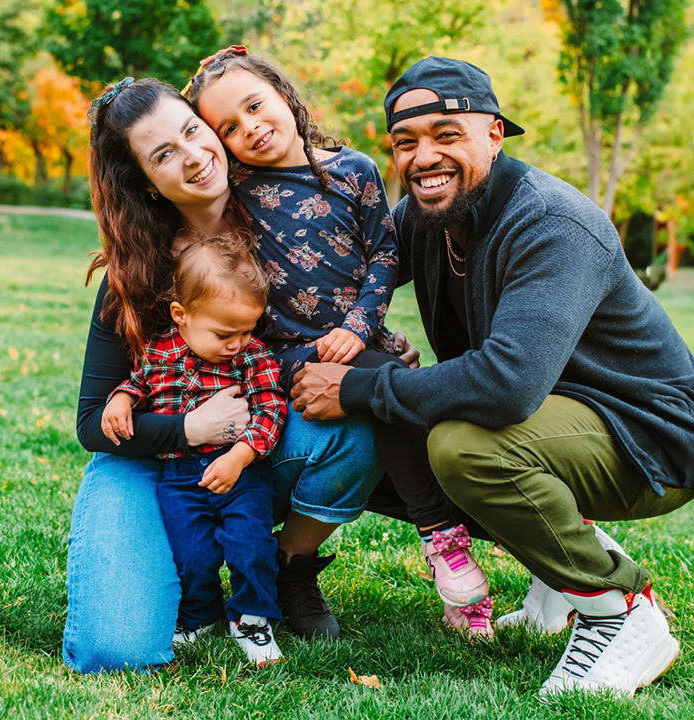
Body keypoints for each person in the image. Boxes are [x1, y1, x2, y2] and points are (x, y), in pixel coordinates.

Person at [291, 57, 694, 696]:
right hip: (553, 421)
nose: (424, 157)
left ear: (494, 134)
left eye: (447, 135)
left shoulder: (549, 220)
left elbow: (507, 384)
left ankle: (619, 611)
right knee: (385, 450)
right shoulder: (426, 218)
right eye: (405, 144)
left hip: (646, 435)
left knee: (460, 449)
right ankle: (558, 578)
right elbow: (331, 285)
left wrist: (357, 387)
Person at [64, 77, 413, 673]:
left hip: (251, 450)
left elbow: (371, 257)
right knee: (114, 649)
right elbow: (92, 425)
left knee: (354, 411)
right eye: (162, 155)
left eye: (193, 132)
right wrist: (189, 429)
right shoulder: (139, 273)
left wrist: (374, 351)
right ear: (145, 182)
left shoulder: (282, 220)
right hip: (146, 461)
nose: (194, 156)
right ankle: (178, 580)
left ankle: (285, 572)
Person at [185, 48, 493, 636]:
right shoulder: (235, 191)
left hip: (360, 339)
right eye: (229, 127)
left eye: (255, 106)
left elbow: (383, 252)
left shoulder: (354, 169)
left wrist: (358, 327)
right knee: (387, 387)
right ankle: (442, 539)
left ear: (284, 94)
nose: (249, 127)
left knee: (395, 395)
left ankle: (454, 560)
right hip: (286, 356)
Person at [101, 234, 287, 666]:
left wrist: (240, 456)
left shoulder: (252, 357)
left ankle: (253, 618)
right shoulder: (159, 352)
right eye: (225, 332)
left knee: (251, 546)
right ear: (181, 316)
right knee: (191, 553)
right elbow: (139, 383)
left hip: (241, 474)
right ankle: (199, 615)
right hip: (180, 478)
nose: (237, 342)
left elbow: (272, 410)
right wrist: (122, 400)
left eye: (247, 329)